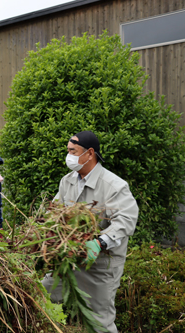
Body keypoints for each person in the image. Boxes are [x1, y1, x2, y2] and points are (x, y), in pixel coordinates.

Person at [42, 131, 138, 333]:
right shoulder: (67, 181)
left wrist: (100, 243)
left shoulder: (114, 186)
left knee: (99, 321)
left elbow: (126, 221)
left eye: (72, 151)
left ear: (90, 153)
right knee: (41, 296)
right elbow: (55, 212)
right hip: (68, 259)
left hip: (100, 265)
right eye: (68, 150)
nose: (68, 156)